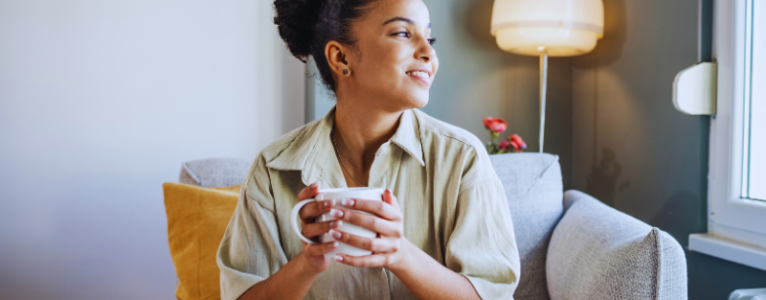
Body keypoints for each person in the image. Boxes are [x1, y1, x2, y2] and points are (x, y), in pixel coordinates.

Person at [216, 0, 520, 299]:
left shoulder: (463, 158)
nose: (429, 53)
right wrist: (307, 264)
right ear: (341, 58)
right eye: (402, 33)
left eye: (430, 38)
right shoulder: (272, 170)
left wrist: (401, 254)